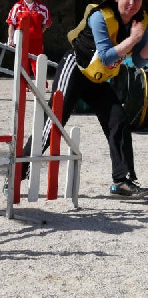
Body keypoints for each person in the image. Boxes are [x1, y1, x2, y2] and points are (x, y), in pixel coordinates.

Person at [20, 0, 148, 196]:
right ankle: (16, 174)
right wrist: (133, 39)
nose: (132, 4)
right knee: (53, 123)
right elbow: (106, 56)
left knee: (119, 120)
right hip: (76, 68)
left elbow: (138, 60)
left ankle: (122, 181)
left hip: (97, 77)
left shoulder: (141, 22)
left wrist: (143, 42)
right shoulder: (100, 15)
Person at [6, 0, 52, 83]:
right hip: (21, 39)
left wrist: (38, 33)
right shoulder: (17, 6)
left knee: (37, 62)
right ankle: (24, 84)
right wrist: (10, 38)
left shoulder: (42, 7)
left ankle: (41, 85)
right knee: (23, 62)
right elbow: (11, 23)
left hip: (36, 40)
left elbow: (47, 22)